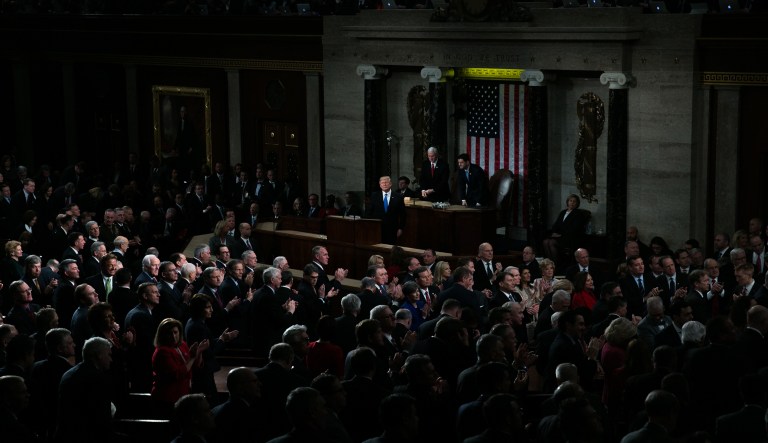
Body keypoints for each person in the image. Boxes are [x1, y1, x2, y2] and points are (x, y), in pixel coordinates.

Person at [55, 336, 114, 443]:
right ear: (99, 355)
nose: (111, 359)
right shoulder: (97, 379)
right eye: (109, 355)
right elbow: (102, 418)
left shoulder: (69, 373)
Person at [185, 294, 238, 403]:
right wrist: (222, 340)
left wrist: (221, 338)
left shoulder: (195, 322)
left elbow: (207, 342)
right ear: (199, 309)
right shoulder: (198, 326)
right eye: (208, 307)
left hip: (202, 371)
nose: (212, 310)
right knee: (210, 401)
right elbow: (209, 352)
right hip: (202, 372)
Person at [151, 317, 209, 416]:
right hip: (168, 397)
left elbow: (194, 366)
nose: (173, 336)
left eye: (175, 332)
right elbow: (177, 374)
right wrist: (192, 357)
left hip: (182, 394)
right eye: (169, 333)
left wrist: (199, 352)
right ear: (162, 334)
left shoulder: (182, 345)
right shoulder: (162, 351)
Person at [212, 367, 265, 443]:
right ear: (239, 387)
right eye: (254, 381)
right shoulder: (247, 416)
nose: (260, 384)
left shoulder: (215, 410)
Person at [542, 193, 590, 262]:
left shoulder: (578, 214)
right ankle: (550, 263)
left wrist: (560, 234)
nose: (572, 203)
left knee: (551, 242)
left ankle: (556, 264)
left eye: (574, 201)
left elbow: (574, 229)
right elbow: (556, 225)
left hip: (569, 238)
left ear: (577, 203)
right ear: (567, 202)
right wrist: (554, 233)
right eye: (570, 201)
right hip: (559, 236)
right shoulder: (563, 212)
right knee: (545, 242)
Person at [366, 176, 406, 245]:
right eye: (382, 183)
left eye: (386, 182)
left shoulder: (398, 197)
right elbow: (369, 212)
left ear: (390, 184)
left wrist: (400, 228)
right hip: (377, 229)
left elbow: (403, 214)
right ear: (380, 185)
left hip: (392, 229)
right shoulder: (374, 196)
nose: (384, 184)